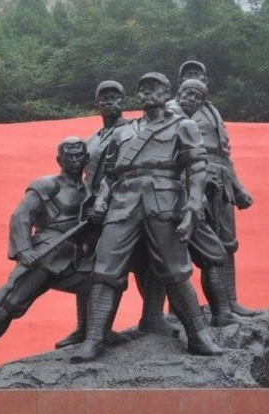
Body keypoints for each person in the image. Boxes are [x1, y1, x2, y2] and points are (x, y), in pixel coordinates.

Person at [70, 72, 220, 363]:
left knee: (175, 271)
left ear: (167, 92)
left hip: (164, 199)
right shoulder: (124, 132)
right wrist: (101, 200)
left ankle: (198, 335)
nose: (147, 93)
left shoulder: (184, 126)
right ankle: (94, 339)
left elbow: (197, 169)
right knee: (105, 269)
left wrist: (192, 207)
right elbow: (109, 175)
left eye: (154, 88)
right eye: (143, 89)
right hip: (123, 202)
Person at [0, 137, 93, 366]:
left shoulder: (90, 189)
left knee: (96, 283)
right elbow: (21, 216)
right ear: (59, 160)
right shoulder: (47, 185)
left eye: (78, 156)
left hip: (72, 256)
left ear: (86, 158)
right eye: (69, 156)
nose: (74, 160)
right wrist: (24, 250)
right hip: (45, 253)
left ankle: (84, 332)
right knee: (12, 301)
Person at [169, 60, 256, 316]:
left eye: (198, 75)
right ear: (179, 84)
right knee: (184, 243)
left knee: (226, 242)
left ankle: (230, 301)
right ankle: (176, 310)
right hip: (191, 177)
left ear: (206, 82)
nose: (194, 78)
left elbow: (225, 154)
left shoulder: (213, 111)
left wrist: (238, 188)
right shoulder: (173, 109)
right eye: (188, 75)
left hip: (220, 178)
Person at [175, 79, 236, 327]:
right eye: (188, 93)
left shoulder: (188, 118)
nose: (192, 99)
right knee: (209, 253)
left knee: (204, 254)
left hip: (186, 195)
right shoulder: (175, 120)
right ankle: (218, 314)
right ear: (178, 92)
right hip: (177, 199)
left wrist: (204, 181)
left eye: (198, 96)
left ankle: (222, 312)